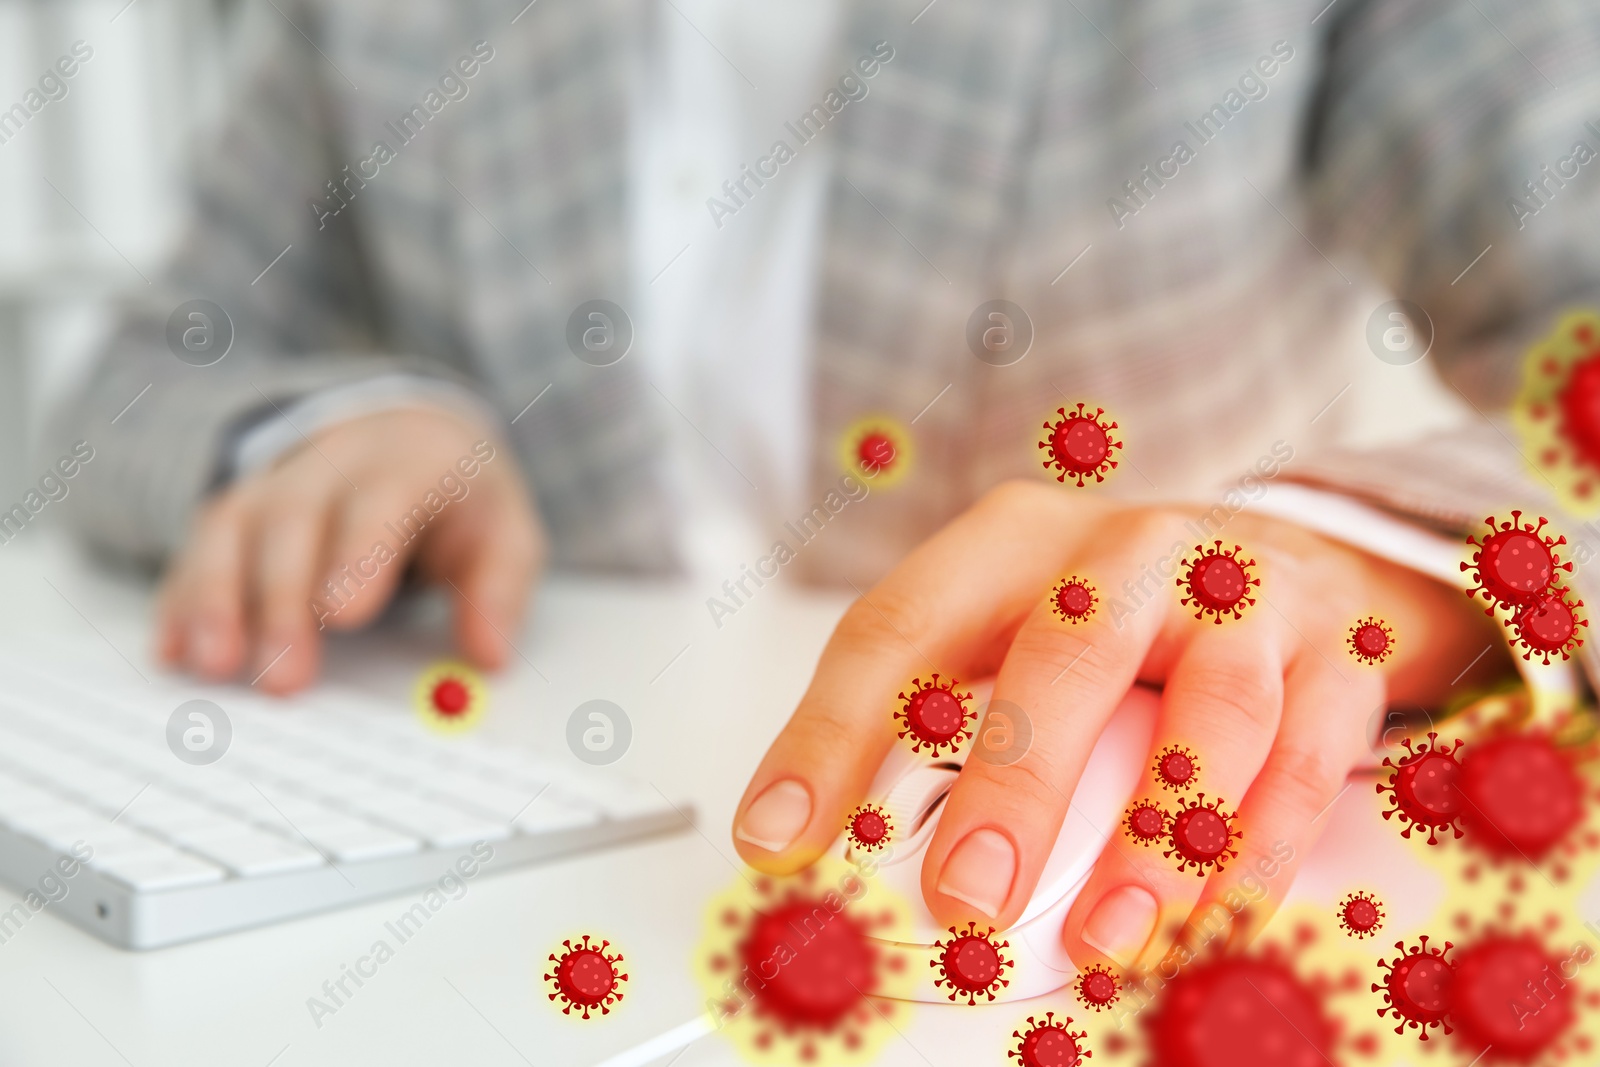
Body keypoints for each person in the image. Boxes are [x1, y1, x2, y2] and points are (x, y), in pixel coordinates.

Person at [51, 0, 1599, 982]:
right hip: (495, 806)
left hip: (1158, 810)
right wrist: (344, 415)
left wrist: (1364, 550)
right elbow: (133, 377)